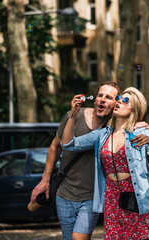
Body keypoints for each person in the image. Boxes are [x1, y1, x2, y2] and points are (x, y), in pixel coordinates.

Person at [61, 87, 149, 239]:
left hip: (137, 196)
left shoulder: (141, 132)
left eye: (126, 100)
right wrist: (73, 114)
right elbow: (68, 144)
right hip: (112, 197)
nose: (119, 101)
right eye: (119, 98)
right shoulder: (102, 135)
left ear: (135, 108)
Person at [30, 82, 120, 240]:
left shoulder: (114, 128)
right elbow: (55, 147)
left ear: (115, 104)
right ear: (95, 98)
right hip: (64, 194)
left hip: (91, 197)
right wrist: (45, 180)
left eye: (108, 97)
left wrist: (140, 124)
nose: (102, 99)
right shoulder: (75, 116)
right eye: (100, 95)